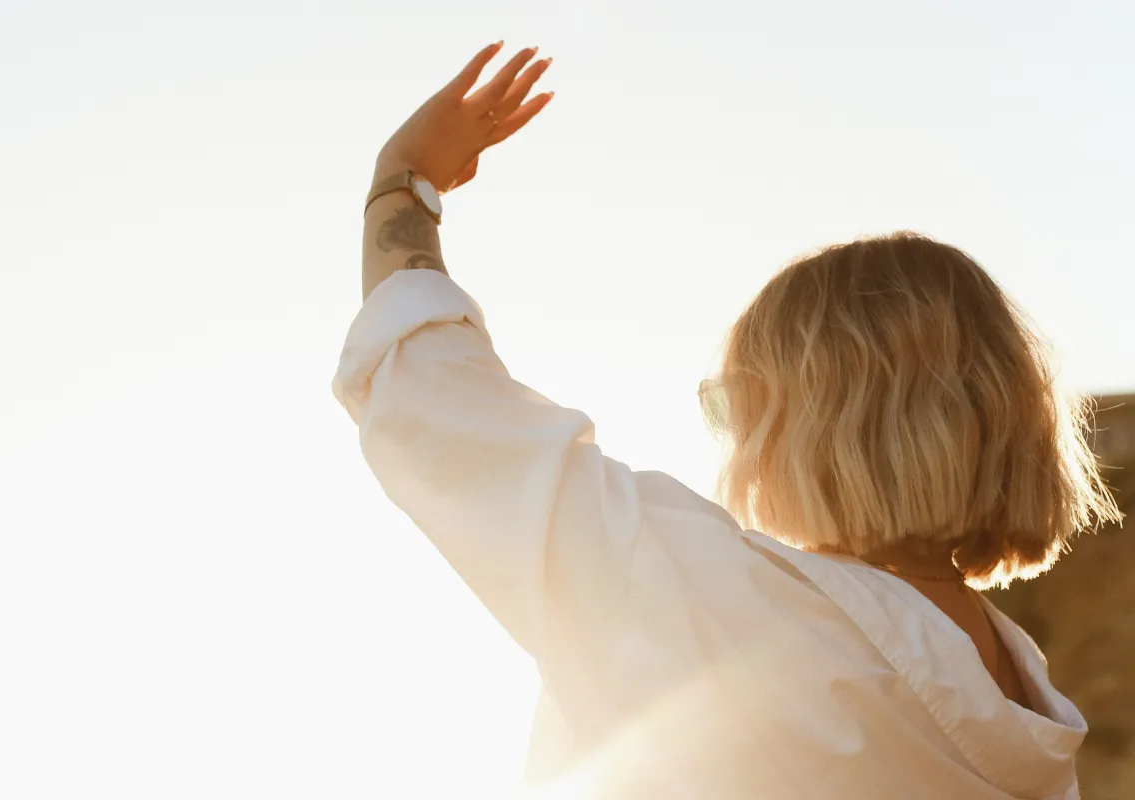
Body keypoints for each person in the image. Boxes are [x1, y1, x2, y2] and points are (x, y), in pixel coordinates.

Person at [334, 43, 1122, 799]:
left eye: (735, 402)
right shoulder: (1027, 706)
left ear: (821, 422)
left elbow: (438, 404)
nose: (732, 436)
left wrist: (402, 183)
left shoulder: (741, 610)